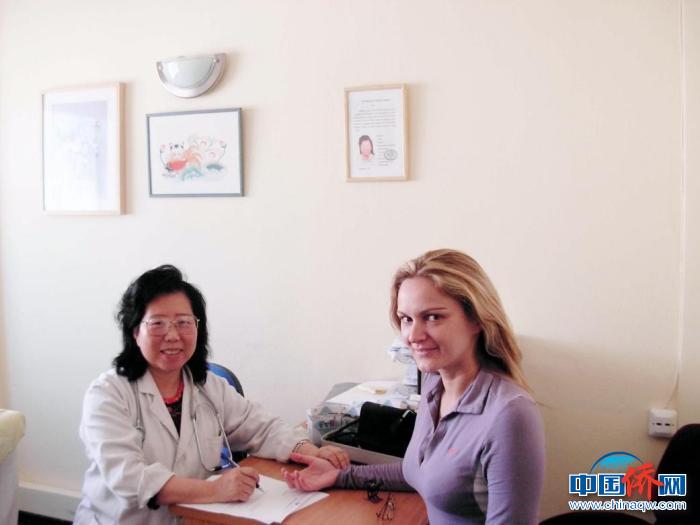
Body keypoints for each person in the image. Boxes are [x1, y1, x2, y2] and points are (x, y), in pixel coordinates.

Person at [282, 249, 545, 524]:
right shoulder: (433, 382)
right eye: (406, 319)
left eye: (433, 317)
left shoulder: (509, 415)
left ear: (477, 319)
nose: (413, 336)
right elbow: (422, 473)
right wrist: (340, 476)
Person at [75, 265, 348, 525]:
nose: (172, 335)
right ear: (135, 331)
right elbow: (129, 478)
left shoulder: (207, 386)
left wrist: (311, 453)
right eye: (157, 323)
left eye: (183, 322)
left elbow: (260, 427)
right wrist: (216, 490)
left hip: (195, 519)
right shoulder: (108, 394)